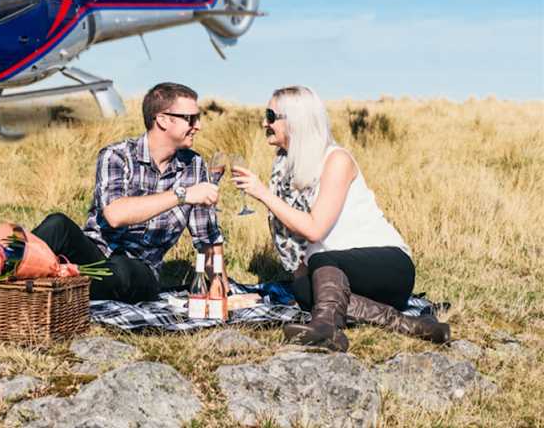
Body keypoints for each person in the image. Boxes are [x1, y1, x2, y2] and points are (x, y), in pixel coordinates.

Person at [231, 85, 449, 351]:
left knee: (322, 261)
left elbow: (314, 231)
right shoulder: (285, 166)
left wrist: (263, 194)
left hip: (387, 265)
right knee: (303, 290)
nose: (265, 122)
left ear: (297, 121)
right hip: (332, 271)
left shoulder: (336, 160)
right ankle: (412, 325)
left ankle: (325, 328)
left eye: (271, 115)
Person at [33, 82, 224, 303]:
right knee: (58, 225)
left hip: (140, 270)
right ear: (162, 119)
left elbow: (208, 239)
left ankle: (64, 285)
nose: (198, 126)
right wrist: (181, 195)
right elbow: (115, 215)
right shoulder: (117, 156)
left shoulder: (194, 165)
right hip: (96, 255)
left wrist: (220, 285)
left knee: (123, 269)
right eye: (190, 119)